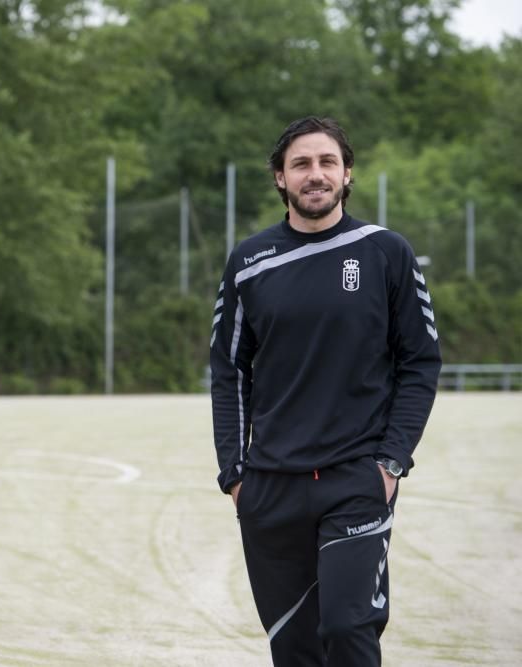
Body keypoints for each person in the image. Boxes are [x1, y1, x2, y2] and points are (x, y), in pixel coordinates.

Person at [209, 116, 441, 666]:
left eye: (327, 162)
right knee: (294, 647)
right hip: (270, 488)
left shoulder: (385, 252)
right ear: (280, 179)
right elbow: (227, 370)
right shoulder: (249, 262)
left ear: (347, 173)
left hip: (356, 478)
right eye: (301, 164)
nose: (316, 174)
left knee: (347, 628)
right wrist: (235, 474)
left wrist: (390, 462)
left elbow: (420, 361)